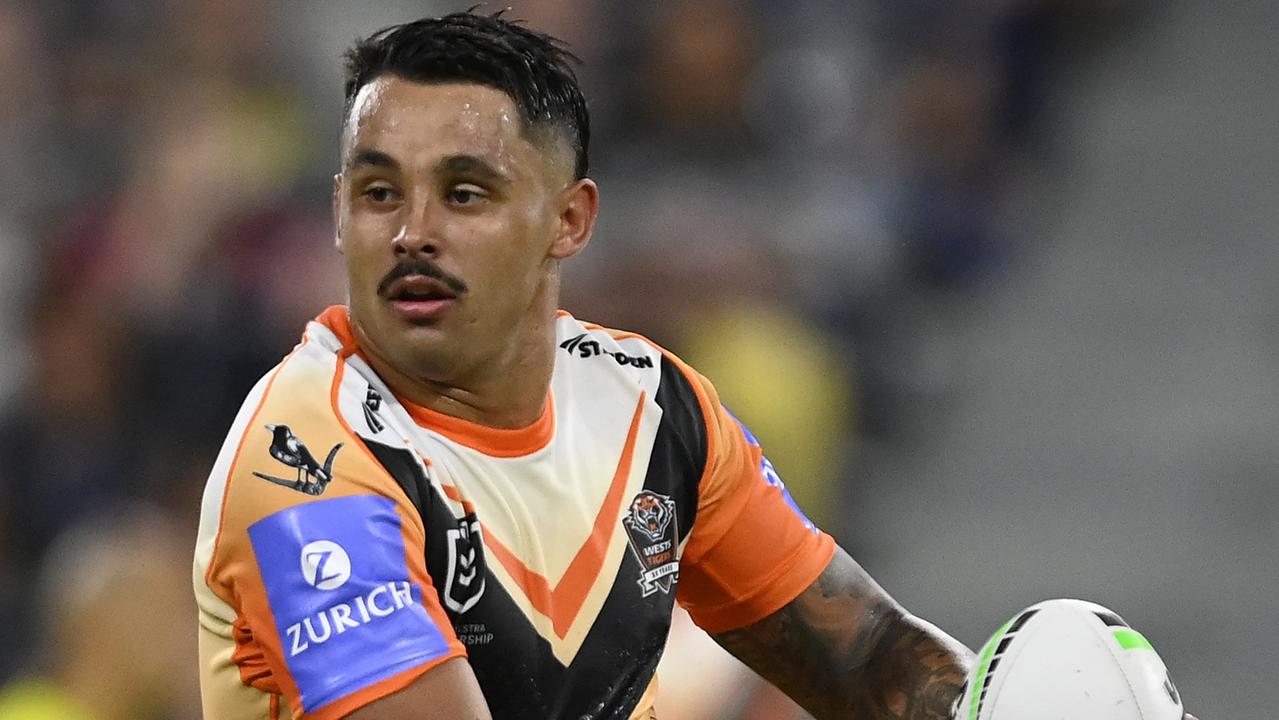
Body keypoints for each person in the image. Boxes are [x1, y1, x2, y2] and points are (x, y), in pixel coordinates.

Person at [193, 12, 1196, 720]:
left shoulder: (650, 407)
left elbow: (868, 659)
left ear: (568, 221)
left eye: (464, 193)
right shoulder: (304, 458)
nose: (411, 233)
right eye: (377, 193)